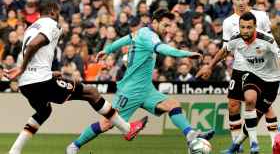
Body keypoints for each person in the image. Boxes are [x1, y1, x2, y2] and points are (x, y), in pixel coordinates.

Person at [65, 8, 215, 154]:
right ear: (155, 22)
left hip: (146, 89)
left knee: (173, 105)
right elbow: (163, 49)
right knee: (106, 123)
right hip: (130, 91)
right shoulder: (149, 36)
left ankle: (190, 134)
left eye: (170, 25)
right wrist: (187, 54)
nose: (168, 29)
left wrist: (108, 49)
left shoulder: (142, 32)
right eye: (165, 25)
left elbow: (127, 38)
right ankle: (74, 146)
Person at [5, 1, 147, 154]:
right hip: (40, 81)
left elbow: (35, 55)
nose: (59, 17)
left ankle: (14, 151)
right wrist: (22, 67)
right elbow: (33, 45)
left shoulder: (30, 28)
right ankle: (127, 129)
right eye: (58, 13)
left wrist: (48, 72)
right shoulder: (51, 24)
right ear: (53, 12)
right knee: (91, 92)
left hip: (27, 83)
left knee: (43, 112)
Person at [196, 0, 278, 151]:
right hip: (241, 67)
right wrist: (210, 66)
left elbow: (269, 43)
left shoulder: (260, 16)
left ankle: (273, 141)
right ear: (232, 0)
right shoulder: (228, 22)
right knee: (233, 105)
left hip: (263, 69)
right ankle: (237, 145)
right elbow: (226, 49)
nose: (240, 2)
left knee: (263, 107)